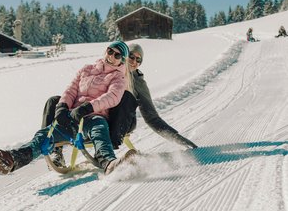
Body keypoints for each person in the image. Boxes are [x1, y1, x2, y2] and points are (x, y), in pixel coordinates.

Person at [0, 41, 134, 175]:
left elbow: (113, 97)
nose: (112, 56)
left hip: (93, 117)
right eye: (110, 51)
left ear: (122, 61)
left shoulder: (118, 77)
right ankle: (12, 159)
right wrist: (62, 106)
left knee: (99, 130)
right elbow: (71, 89)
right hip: (72, 116)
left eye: (117, 55)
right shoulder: (87, 69)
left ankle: (108, 162)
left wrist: (88, 107)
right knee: (44, 135)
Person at [44, 43, 197, 168]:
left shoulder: (137, 82)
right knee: (54, 101)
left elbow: (152, 117)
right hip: (94, 114)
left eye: (139, 60)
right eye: (131, 56)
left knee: (126, 97)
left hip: (119, 122)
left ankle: (106, 148)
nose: (134, 62)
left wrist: (179, 139)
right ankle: (54, 150)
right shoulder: (105, 70)